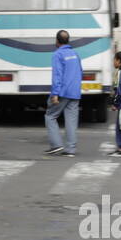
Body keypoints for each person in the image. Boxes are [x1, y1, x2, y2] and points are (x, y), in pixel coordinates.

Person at [44, 29, 81, 157]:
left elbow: (57, 75)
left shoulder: (58, 54)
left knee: (50, 116)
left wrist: (55, 94)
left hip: (63, 92)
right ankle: (70, 149)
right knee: (71, 120)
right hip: (75, 92)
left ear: (57, 41)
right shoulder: (75, 54)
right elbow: (80, 72)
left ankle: (56, 145)